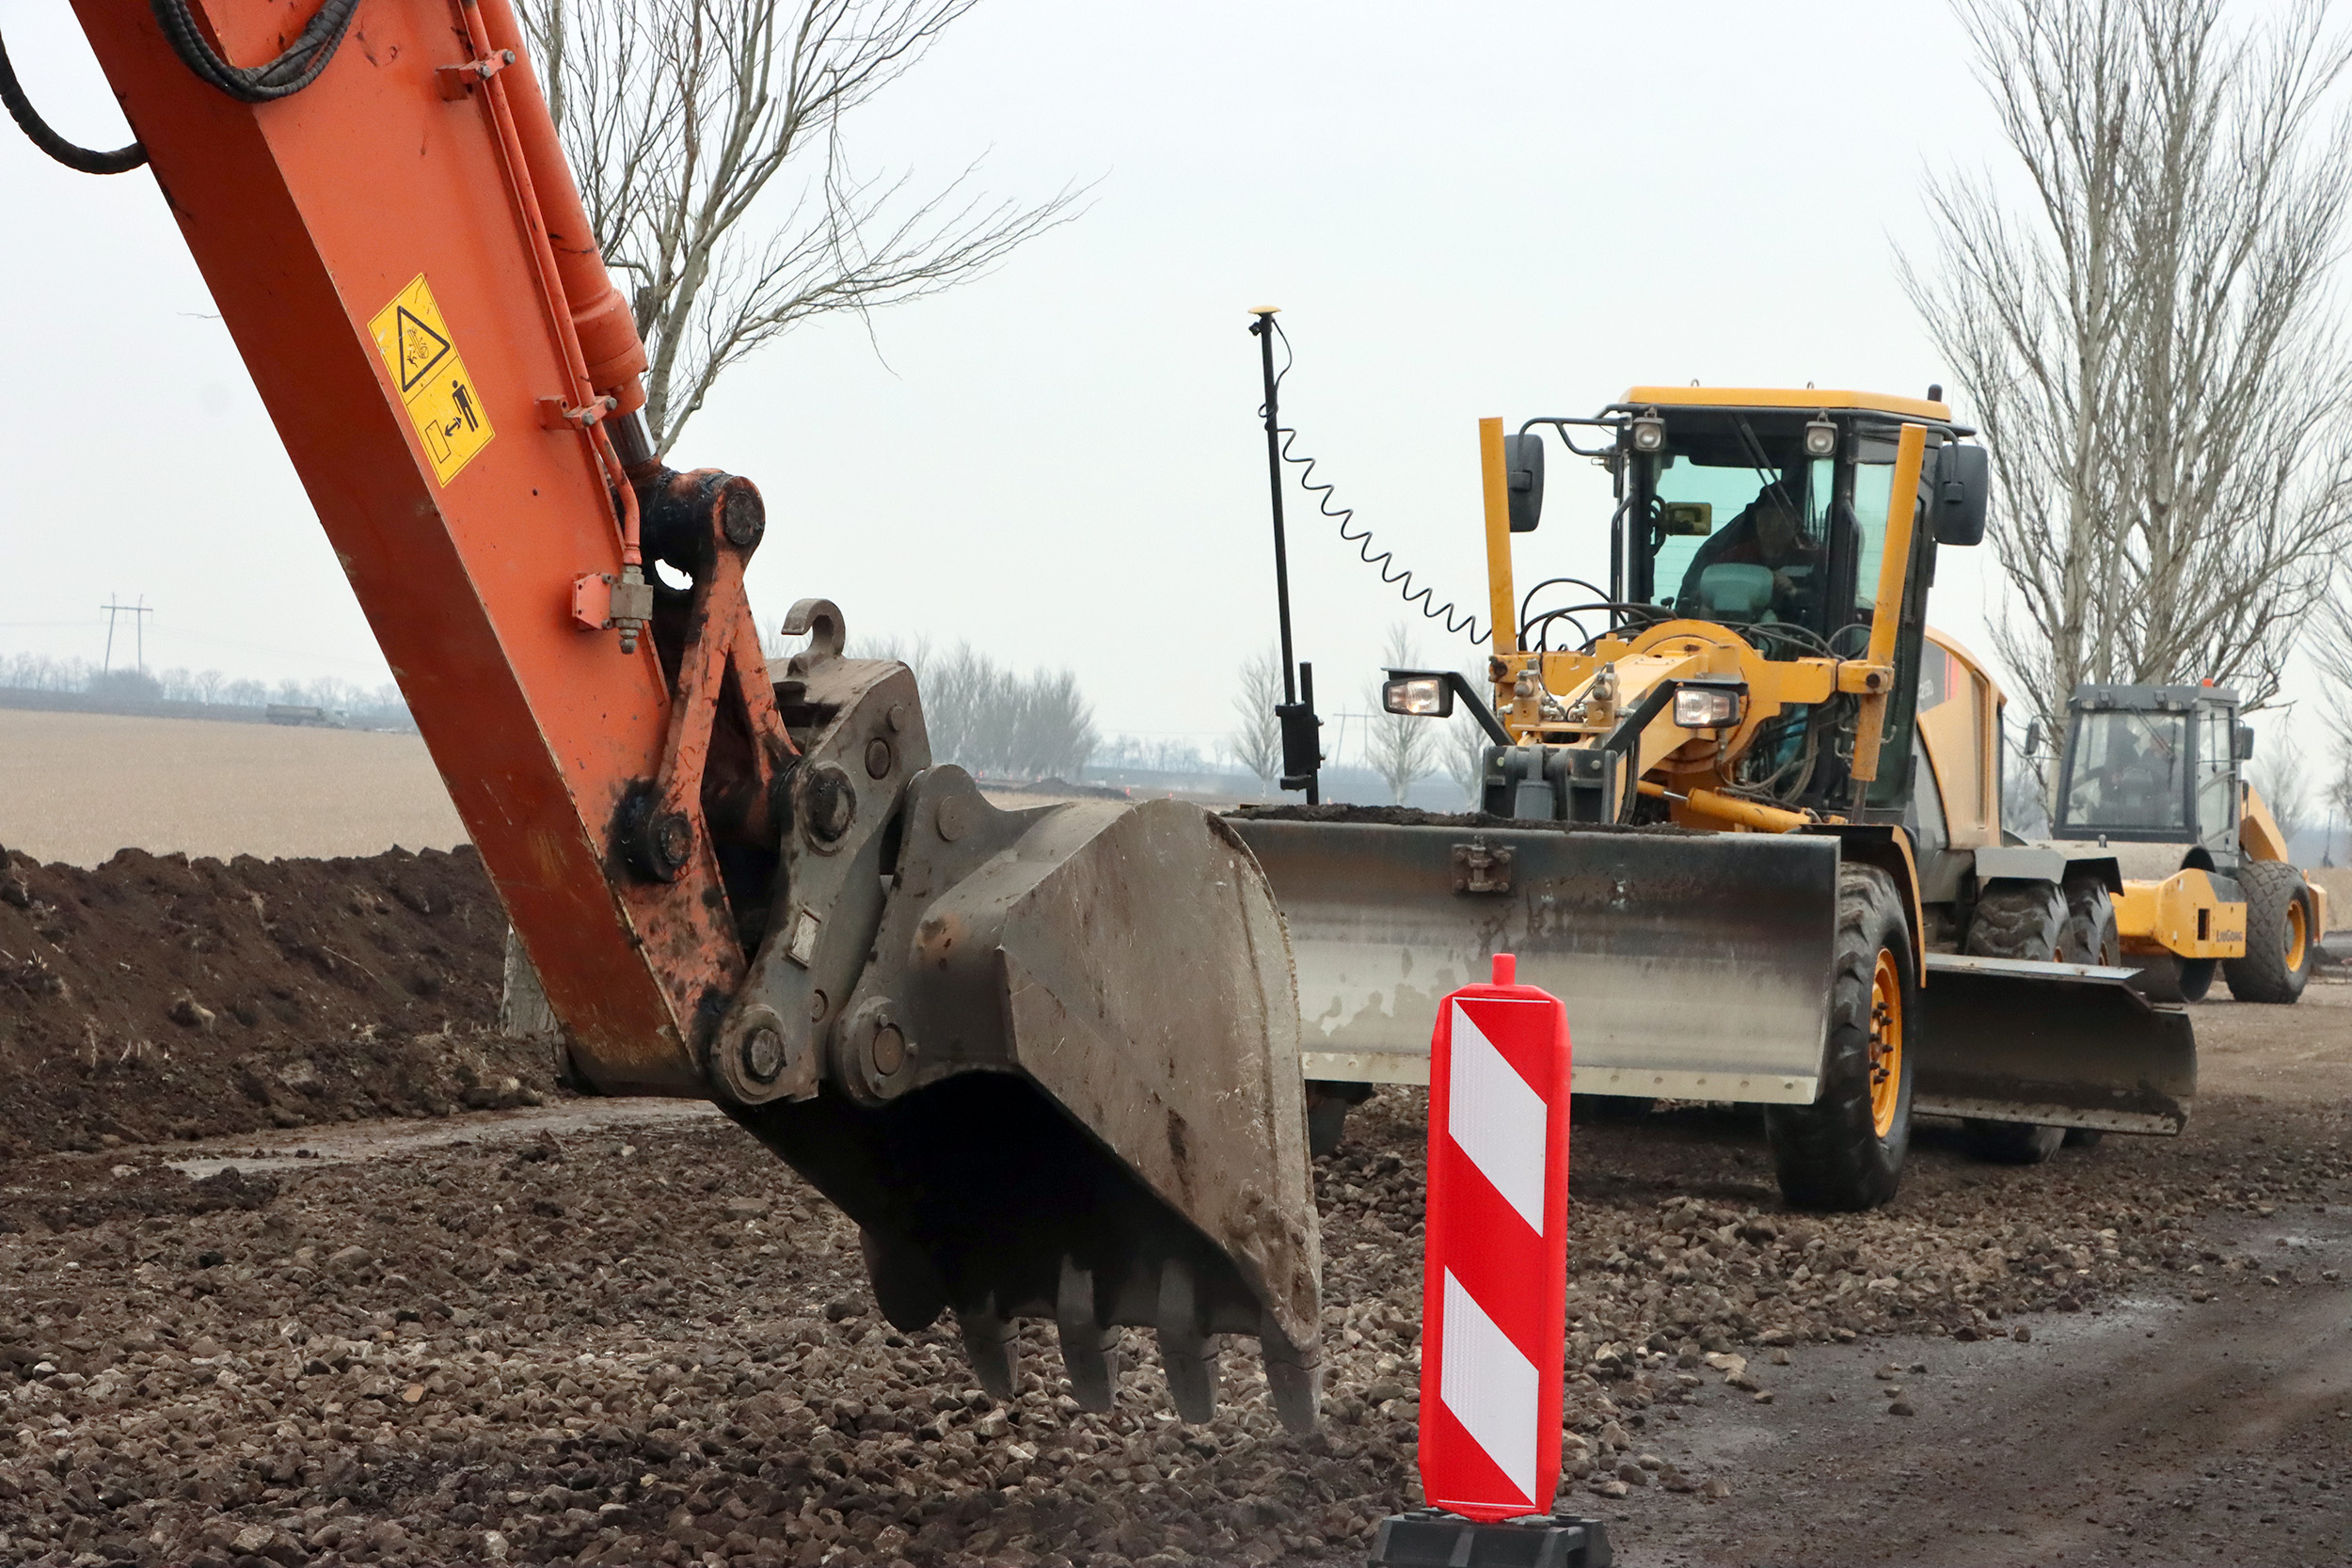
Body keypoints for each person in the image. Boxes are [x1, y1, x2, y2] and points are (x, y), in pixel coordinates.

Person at [1675, 482, 1821, 616]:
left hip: (1799, 634)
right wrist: (1704, 608)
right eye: (1767, 516)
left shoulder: (1812, 561)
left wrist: (1794, 591)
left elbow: (1823, 605)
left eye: (1782, 517)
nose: (1773, 524)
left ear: (1796, 524)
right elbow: (1699, 599)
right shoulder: (1732, 559)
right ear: (1755, 519)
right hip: (1738, 632)